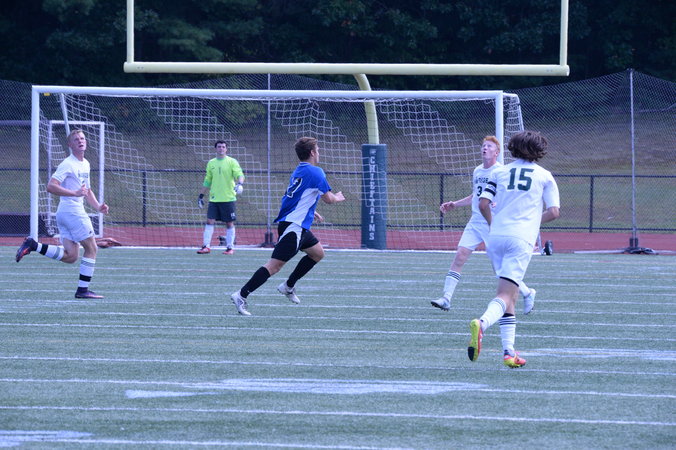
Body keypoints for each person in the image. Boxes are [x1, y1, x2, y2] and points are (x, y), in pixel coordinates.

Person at [467, 130, 560, 368]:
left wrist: (493, 224)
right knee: (505, 295)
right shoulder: (544, 176)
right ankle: (482, 324)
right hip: (520, 239)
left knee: (511, 294)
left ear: (512, 148)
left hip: (496, 238)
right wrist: (531, 222)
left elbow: (483, 204)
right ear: (539, 151)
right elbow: (554, 212)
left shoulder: (498, 172)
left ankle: (509, 353)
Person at [230, 137, 345, 316]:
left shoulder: (299, 170)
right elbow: (329, 199)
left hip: (296, 225)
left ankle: (288, 286)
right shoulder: (316, 172)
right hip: (294, 228)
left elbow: (294, 197)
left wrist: (311, 211)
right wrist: (338, 197)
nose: (319, 153)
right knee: (274, 266)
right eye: (318, 150)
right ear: (312, 152)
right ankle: (241, 295)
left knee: (317, 253)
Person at [432, 136, 536, 313]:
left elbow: (507, 196)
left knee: (500, 268)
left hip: (492, 223)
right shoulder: (478, 171)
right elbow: (476, 196)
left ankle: (527, 292)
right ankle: (446, 298)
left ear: (497, 152)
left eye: (489, 146)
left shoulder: (501, 172)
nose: (485, 148)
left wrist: (497, 204)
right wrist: (455, 204)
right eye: (483, 146)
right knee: (460, 255)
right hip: (475, 221)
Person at [15, 129, 109, 299]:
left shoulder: (85, 163)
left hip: (65, 213)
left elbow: (86, 190)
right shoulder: (68, 164)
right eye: (76, 139)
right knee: (92, 248)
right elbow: (51, 186)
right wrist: (74, 193)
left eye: (82, 138)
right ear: (70, 144)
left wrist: (98, 206)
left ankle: (34, 245)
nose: (80, 141)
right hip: (72, 212)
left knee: (71, 256)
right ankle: (82, 291)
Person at [196, 140, 245, 255]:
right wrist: (201, 196)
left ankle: (230, 247)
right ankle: (206, 246)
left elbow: (240, 174)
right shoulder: (211, 163)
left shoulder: (232, 162)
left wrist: (240, 184)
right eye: (219, 147)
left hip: (228, 199)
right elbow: (207, 180)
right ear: (216, 149)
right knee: (209, 221)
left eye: (223, 147)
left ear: (226, 149)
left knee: (229, 223)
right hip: (214, 199)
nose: (221, 148)